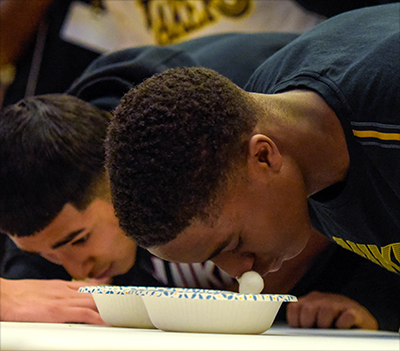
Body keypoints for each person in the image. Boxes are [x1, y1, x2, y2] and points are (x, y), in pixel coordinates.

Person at [1, 32, 398, 330]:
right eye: (50, 257)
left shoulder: (230, 119)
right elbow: (29, 291)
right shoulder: (45, 182)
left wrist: (372, 301)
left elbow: (356, 175)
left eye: (77, 241)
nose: (76, 270)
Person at [105, 3, 400, 329]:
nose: (241, 271)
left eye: (233, 244)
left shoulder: (386, 108)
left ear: (264, 156)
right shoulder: (269, 102)